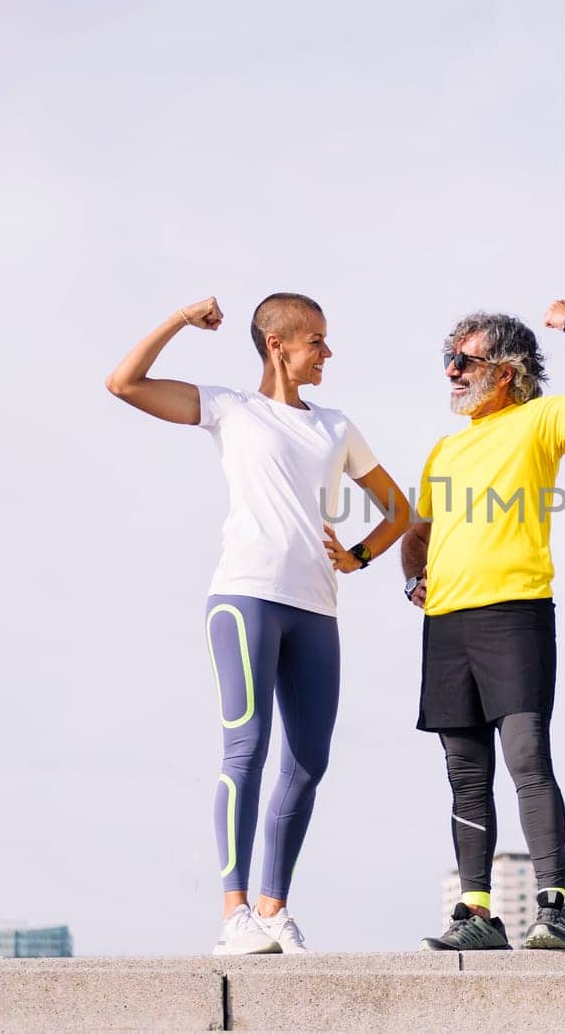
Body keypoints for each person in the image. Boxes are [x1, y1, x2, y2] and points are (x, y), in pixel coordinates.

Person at [105, 293, 409, 955]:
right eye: (317, 342)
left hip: (317, 609)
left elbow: (399, 507)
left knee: (308, 760)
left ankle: (274, 909)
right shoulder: (229, 407)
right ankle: (234, 914)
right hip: (244, 597)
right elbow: (122, 382)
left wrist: (358, 556)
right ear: (279, 345)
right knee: (246, 748)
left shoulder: (337, 426)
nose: (328, 353)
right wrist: (181, 320)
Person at [401, 299, 565, 950]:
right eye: (447, 360)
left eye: (462, 360)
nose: (449, 371)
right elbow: (419, 531)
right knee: (464, 771)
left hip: (513, 613)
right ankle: (476, 912)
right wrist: (412, 575)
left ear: (505, 370)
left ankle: (552, 904)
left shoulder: (538, 419)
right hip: (447, 624)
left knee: (526, 757)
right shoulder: (444, 449)